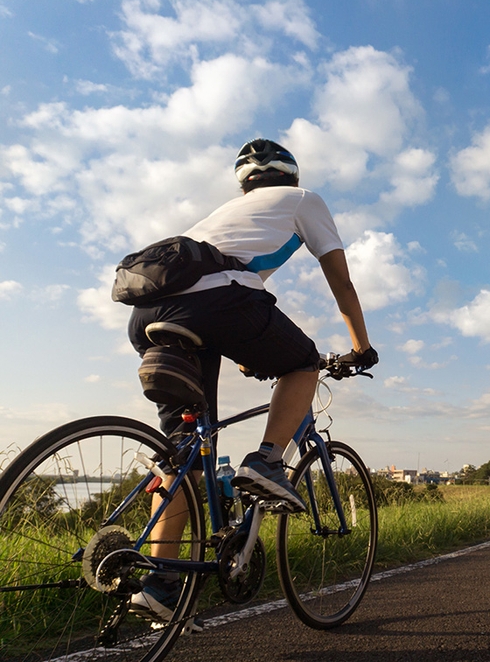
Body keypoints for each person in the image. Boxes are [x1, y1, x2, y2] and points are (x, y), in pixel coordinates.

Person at [126, 138, 378, 625]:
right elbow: (341, 283)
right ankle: (266, 462)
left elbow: (220, 288)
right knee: (303, 363)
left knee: (182, 454)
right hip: (217, 301)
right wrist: (362, 347)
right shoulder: (305, 200)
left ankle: (160, 583)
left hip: (148, 312)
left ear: (244, 184)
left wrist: (246, 353)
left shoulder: (223, 216)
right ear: (292, 175)